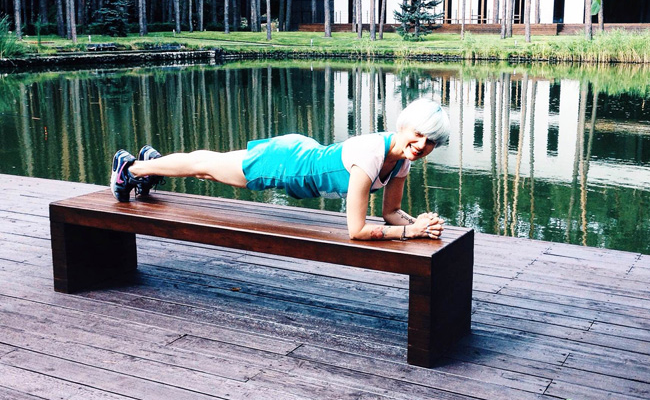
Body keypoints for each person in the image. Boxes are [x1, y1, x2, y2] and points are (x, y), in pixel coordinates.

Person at [110, 98, 450, 242]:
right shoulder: (372, 153)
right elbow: (356, 230)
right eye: (418, 134)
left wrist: (420, 223)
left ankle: (150, 164)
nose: (422, 145)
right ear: (404, 125)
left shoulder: (401, 161)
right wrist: (410, 233)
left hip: (301, 154)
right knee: (205, 167)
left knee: (209, 167)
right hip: (287, 166)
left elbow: (390, 213)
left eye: (431, 141)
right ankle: (132, 168)